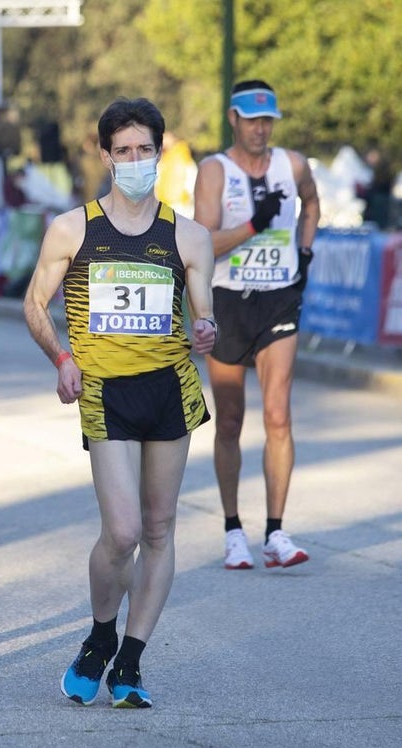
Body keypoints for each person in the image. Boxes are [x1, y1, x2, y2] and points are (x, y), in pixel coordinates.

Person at [24, 98, 217, 708]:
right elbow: (33, 304)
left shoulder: (188, 235)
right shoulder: (73, 228)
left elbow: (204, 314)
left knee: (159, 528)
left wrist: (207, 330)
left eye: (145, 150)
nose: (135, 160)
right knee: (123, 530)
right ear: (105, 155)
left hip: (170, 389)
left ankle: (130, 662)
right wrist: (62, 358)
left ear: (159, 153)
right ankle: (100, 635)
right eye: (123, 150)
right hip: (105, 390)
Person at [192, 80, 321, 570]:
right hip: (228, 302)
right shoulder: (214, 171)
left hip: (278, 299)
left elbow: (312, 204)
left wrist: (304, 251)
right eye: (252, 120)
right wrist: (252, 226)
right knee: (229, 420)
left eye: (268, 121)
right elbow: (202, 242)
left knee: (278, 415)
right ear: (234, 118)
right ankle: (232, 530)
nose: (261, 129)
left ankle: (276, 532)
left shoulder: (293, 165)